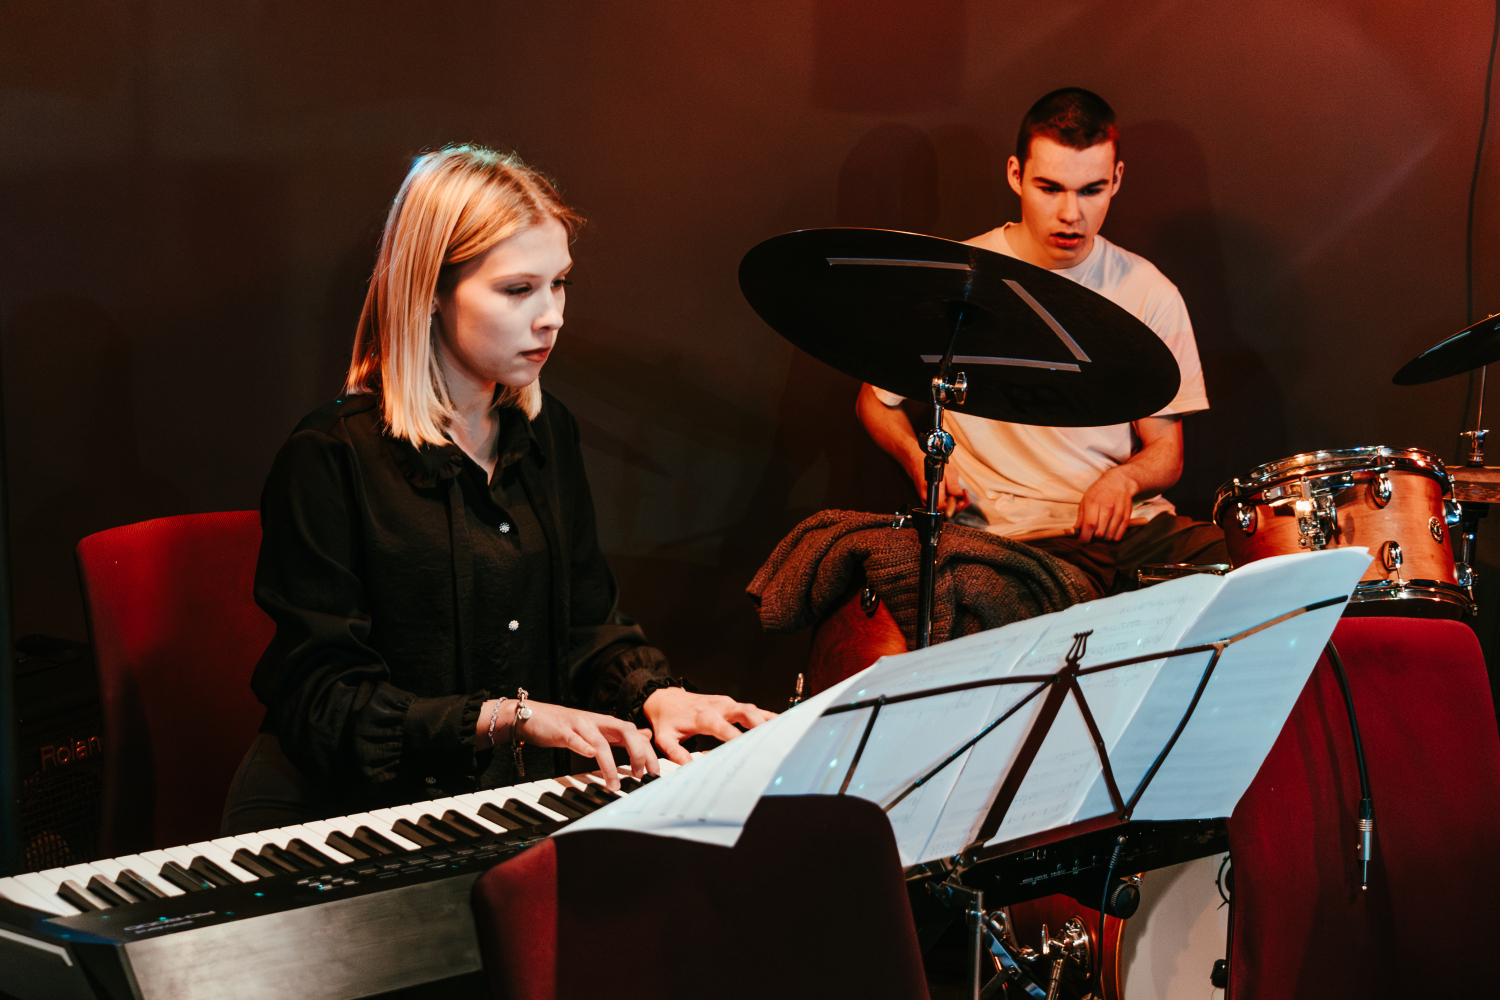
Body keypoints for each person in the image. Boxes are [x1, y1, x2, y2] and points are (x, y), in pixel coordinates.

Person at [225, 146, 772, 833]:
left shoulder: (547, 433)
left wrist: (658, 697)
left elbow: (584, 625)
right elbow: (323, 702)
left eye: (559, 283)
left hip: (496, 805)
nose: (552, 316)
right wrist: (507, 719)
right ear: (429, 291)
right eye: (518, 290)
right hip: (342, 814)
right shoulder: (331, 455)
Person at [856, 88, 1226, 598]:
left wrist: (1124, 481)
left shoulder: (1149, 290)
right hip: (1008, 535)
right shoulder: (958, 279)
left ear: (1117, 179)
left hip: (1128, 530)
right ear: (1016, 175)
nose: (1071, 213)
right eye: (1050, 188)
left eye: (1091, 190)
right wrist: (918, 460)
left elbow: (1166, 450)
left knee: (1253, 577)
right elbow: (874, 402)